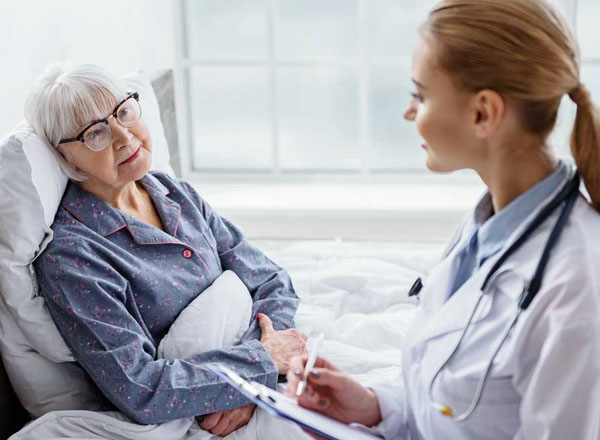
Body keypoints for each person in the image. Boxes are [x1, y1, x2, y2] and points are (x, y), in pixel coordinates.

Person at [286, 1, 600, 439]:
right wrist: (376, 408)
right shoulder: (486, 227)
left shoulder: (578, 285)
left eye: (421, 94)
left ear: (483, 113)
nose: (409, 112)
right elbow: (455, 402)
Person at [25, 63, 308, 436]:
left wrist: (257, 372)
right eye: (96, 133)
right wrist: (259, 364)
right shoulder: (73, 257)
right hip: (196, 415)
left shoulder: (171, 191)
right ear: (65, 158)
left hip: (253, 380)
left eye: (123, 112)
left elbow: (268, 278)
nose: (124, 137)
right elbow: (140, 387)